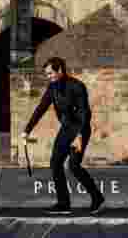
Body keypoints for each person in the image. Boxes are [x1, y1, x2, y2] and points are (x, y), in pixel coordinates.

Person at [23, 56, 104, 215]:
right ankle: (63, 203)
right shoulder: (52, 88)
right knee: (55, 163)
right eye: (47, 74)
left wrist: (79, 136)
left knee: (73, 166)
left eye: (50, 73)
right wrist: (27, 130)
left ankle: (97, 198)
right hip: (66, 130)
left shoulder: (77, 86)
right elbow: (41, 108)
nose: (49, 77)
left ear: (60, 70)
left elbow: (84, 114)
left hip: (80, 129)